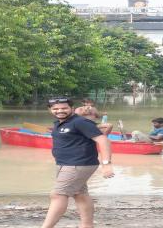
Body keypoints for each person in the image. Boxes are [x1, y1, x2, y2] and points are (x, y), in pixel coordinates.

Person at [41, 97, 114, 228]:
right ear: (50, 110)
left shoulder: (80, 122)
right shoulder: (59, 123)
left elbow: (103, 140)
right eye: (56, 109)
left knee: (58, 194)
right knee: (80, 194)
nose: (60, 111)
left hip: (78, 164)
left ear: (72, 109)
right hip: (65, 163)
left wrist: (106, 164)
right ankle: (87, 225)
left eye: (64, 108)